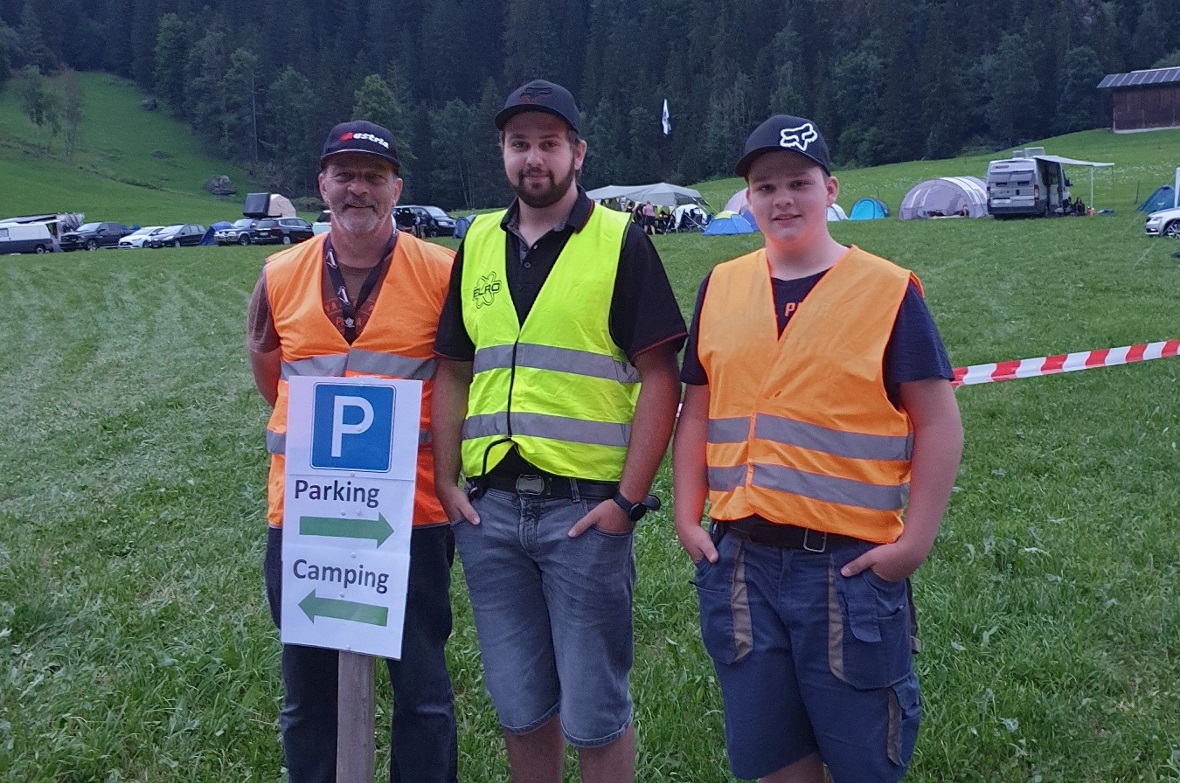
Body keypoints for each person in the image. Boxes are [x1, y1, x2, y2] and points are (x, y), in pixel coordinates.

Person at [672, 114, 963, 783]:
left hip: (847, 570)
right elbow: (699, 409)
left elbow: (940, 423)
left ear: (831, 188)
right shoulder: (720, 286)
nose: (782, 200)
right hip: (739, 560)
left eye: (798, 182)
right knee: (772, 758)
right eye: (764, 185)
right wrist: (689, 515)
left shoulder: (887, 291)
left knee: (864, 759)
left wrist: (914, 543)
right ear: (744, 198)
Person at [431, 78, 685, 783]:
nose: (532, 158)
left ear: (579, 152)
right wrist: (446, 480)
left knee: (596, 712)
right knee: (519, 707)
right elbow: (452, 367)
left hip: (584, 515)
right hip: (490, 514)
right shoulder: (478, 239)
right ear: (502, 154)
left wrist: (627, 502)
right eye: (519, 144)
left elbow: (661, 375)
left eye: (548, 143)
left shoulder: (619, 242)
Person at [247, 119, 458, 783]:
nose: (358, 188)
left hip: (414, 513)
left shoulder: (442, 272)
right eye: (345, 175)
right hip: (306, 512)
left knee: (421, 689)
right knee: (307, 693)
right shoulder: (279, 275)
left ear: (397, 187)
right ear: (322, 186)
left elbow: (461, 378)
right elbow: (268, 366)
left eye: (373, 176)